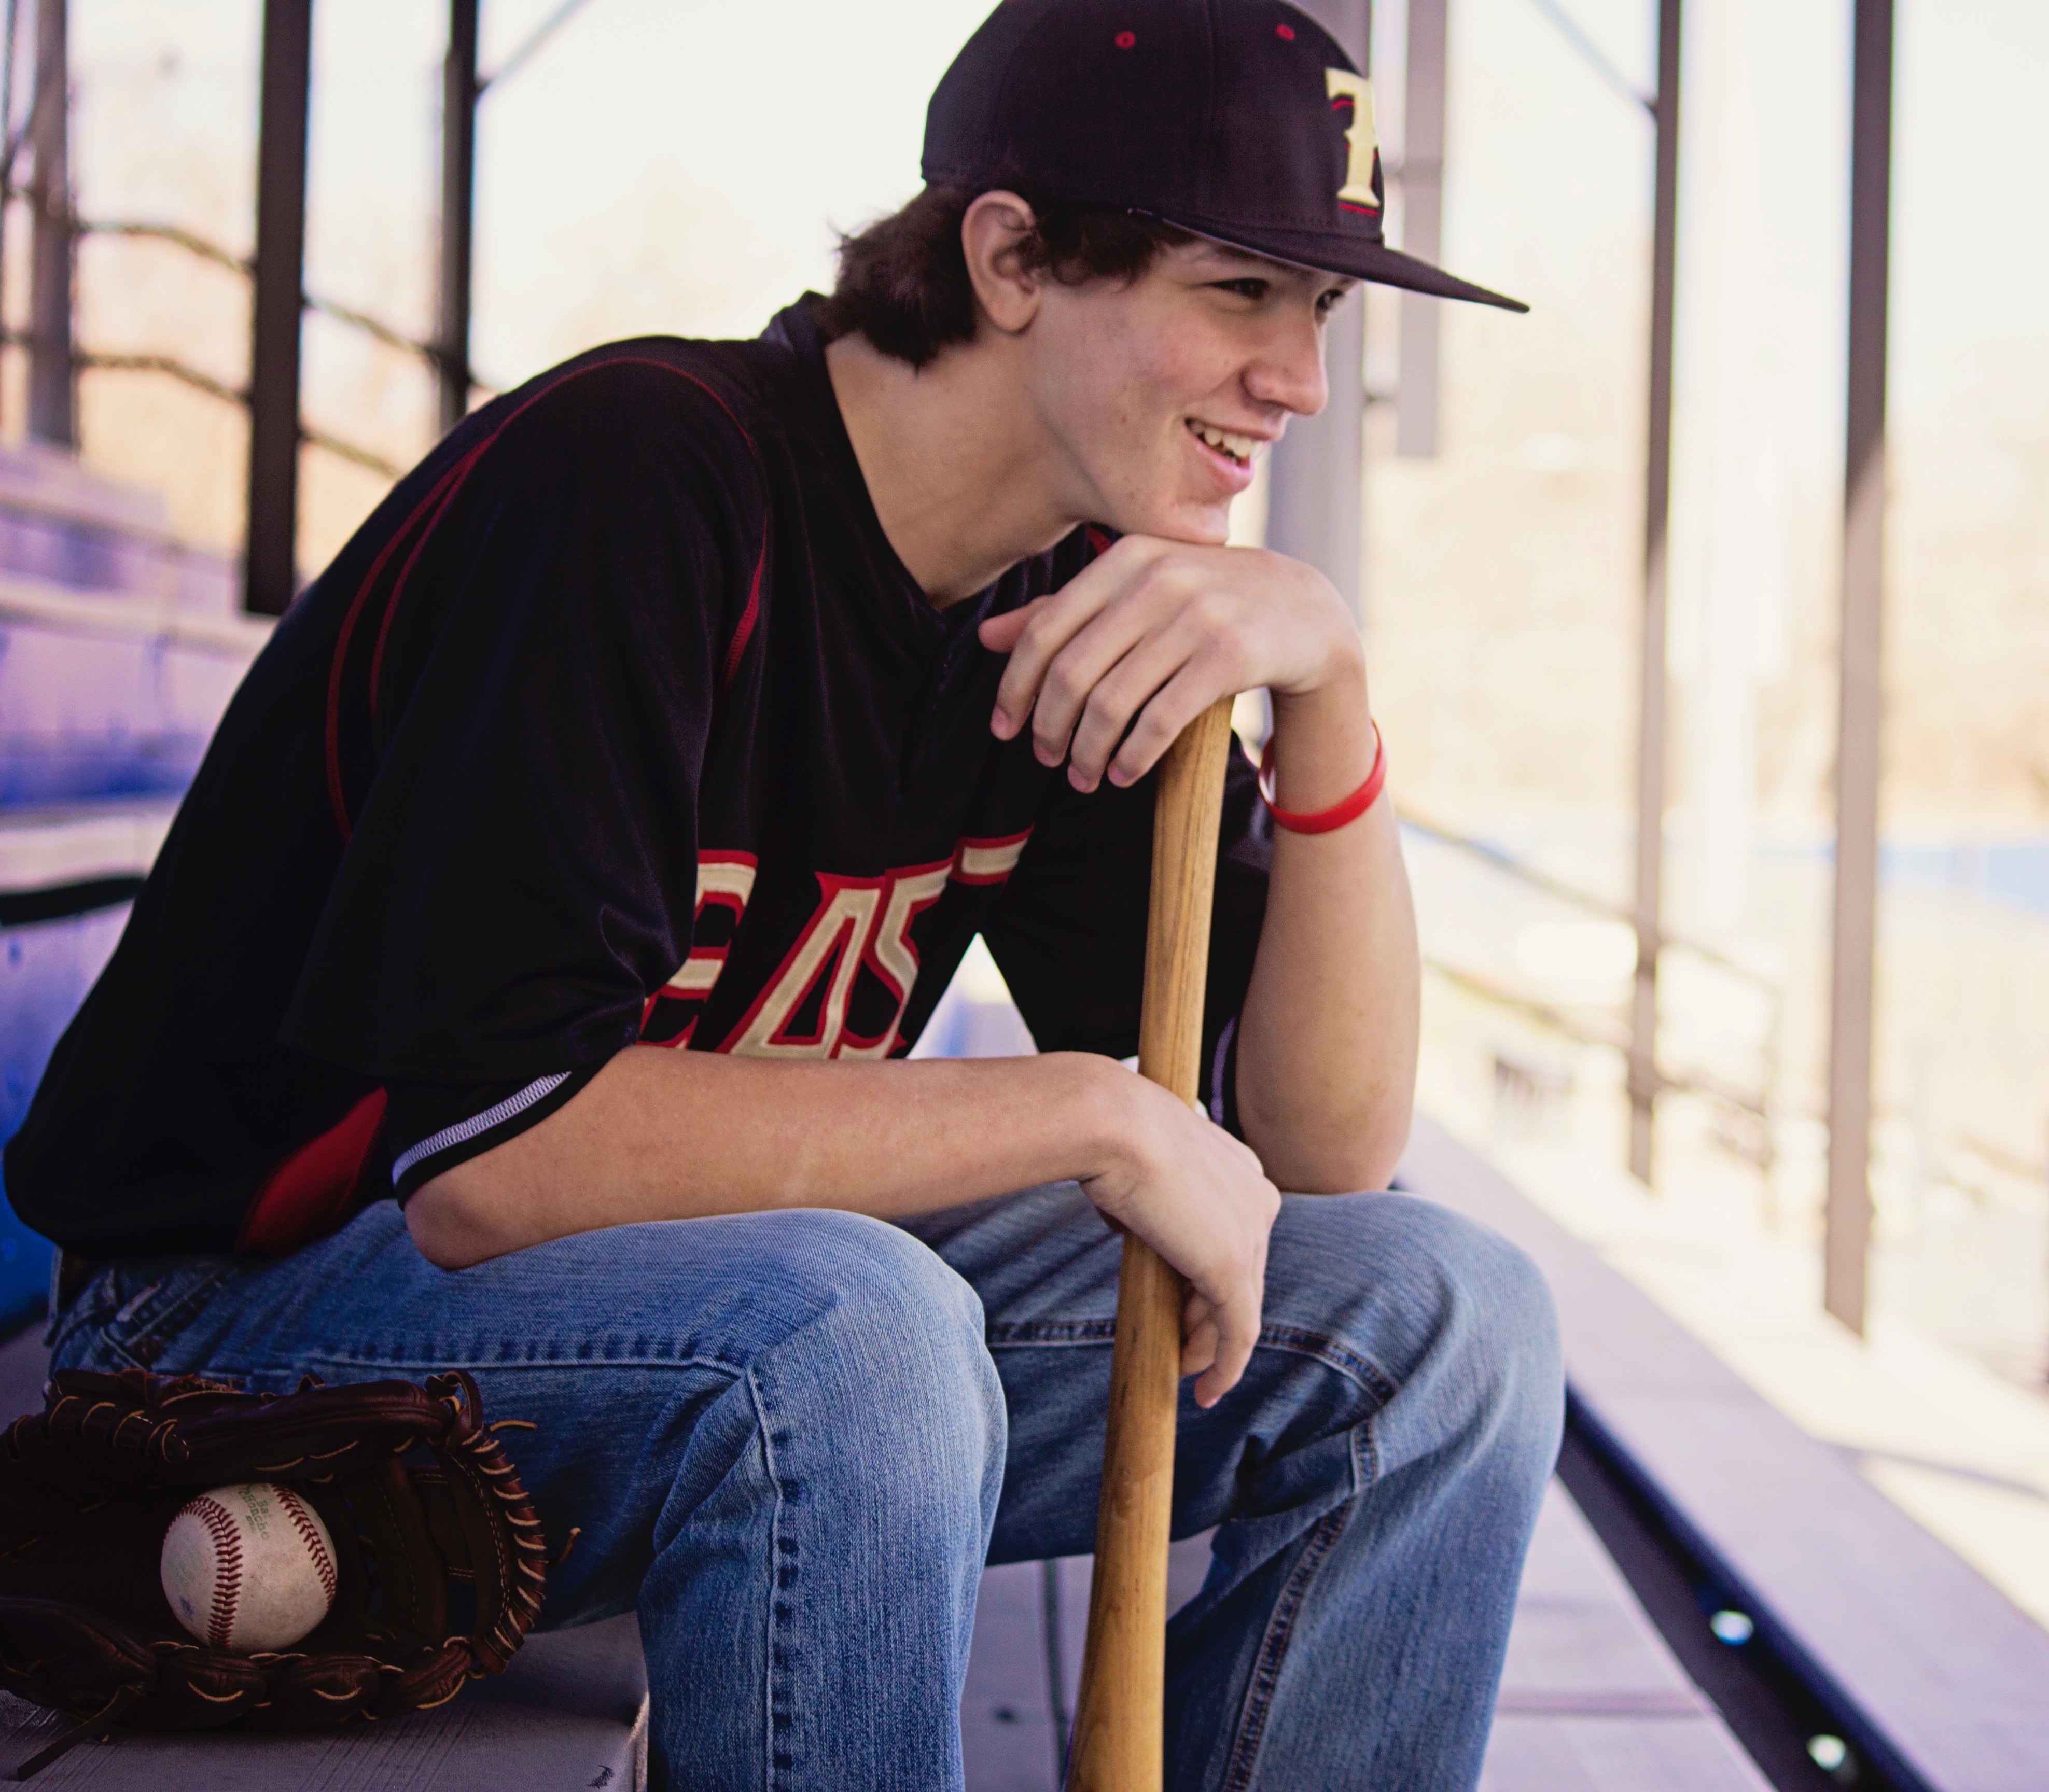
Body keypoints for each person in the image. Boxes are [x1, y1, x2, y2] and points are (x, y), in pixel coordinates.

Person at [4, 1, 1560, 1786]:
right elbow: (498, 1163)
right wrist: (1084, 1113)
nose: (1298, 374)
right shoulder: (644, 475)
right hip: (243, 1330)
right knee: (853, 1331)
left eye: (1322, 311)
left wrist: (1334, 703)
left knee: (1441, 1317)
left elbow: (1315, 1159)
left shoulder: (1078, 602)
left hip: (668, 1321)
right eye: (1238, 292)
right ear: (1011, 257)